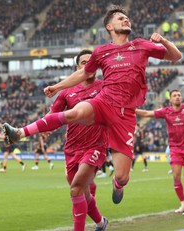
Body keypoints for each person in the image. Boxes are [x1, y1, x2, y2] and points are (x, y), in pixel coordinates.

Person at [2, 5, 182, 205]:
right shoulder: (101, 52)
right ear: (109, 26)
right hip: (104, 102)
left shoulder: (141, 45)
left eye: (127, 18)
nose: (126, 20)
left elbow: (176, 56)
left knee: (122, 176)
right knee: (72, 114)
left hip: (125, 116)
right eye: (120, 18)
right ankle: (19, 133)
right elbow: (83, 73)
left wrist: (163, 41)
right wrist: (57, 87)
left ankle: (118, 184)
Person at [47, 49, 108, 230]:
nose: (88, 65)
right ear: (77, 67)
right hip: (72, 148)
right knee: (83, 193)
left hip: (95, 146)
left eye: (91, 62)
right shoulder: (67, 92)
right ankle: (100, 222)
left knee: (75, 189)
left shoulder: (104, 87)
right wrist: (43, 129)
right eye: (84, 63)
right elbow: (53, 114)